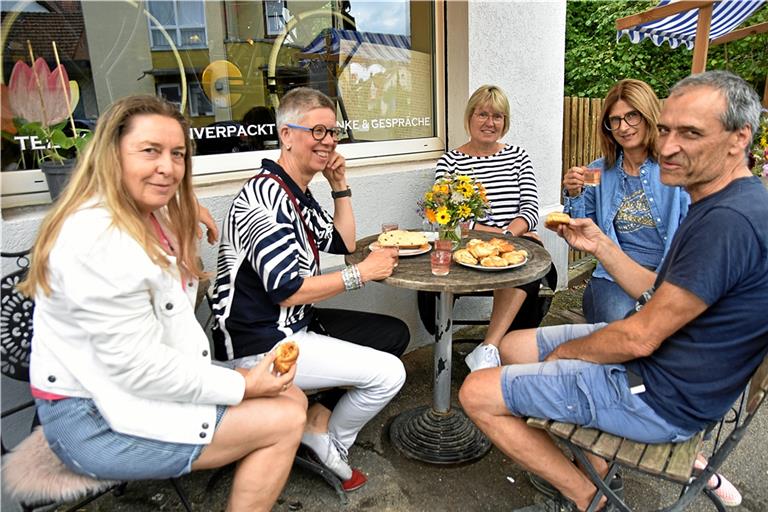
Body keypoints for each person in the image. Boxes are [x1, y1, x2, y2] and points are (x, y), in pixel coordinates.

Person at [459, 70, 768, 512]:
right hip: (659, 364)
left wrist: (568, 356)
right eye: (667, 130)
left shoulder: (727, 223)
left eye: (691, 133)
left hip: (659, 393)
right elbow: (655, 290)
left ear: (740, 138)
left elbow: (639, 336)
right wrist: (600, 243)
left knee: (475, 392)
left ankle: (586, 496)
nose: (670, 145)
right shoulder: (726, 201)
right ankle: (591, 462)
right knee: (512, 345)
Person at [22, 95, 306, 512]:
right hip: (92, 418)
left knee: (293, 397)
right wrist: (243, 385)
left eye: (177, 154)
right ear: (111, 154)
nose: (169, 167)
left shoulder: (142, 214)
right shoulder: (96, 240)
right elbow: (140, 369)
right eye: (150, 151)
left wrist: (184, 208)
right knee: (286, 419)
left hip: (128, 388)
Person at [211, 87, 408, 491]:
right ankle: (329, 444)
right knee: (390, 374)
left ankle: (317, 419)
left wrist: (339, 184)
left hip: (298, 325)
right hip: (259, 342)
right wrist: (363, 274)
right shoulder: (263, 198)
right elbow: (288, 290)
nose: (329, 141)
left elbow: (344, 243)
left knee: (393, 334)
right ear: (286, 134)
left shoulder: (296, 192)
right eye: (318, 131)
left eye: (334, 132)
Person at [562, 79, 690, 323]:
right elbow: (582, 237)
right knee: (623, 325)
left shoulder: (677, 168)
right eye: (615, 120)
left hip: (669, 275)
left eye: (632, 116)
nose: (624, 127)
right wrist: (575, 194)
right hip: (613, 278)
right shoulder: (597, 172)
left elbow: (693, 232)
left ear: (648, 116)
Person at [433, 84, 541, 372]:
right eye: (482, 114)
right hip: (467, 247)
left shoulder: (518, 157)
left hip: (512, 242)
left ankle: (489, 347)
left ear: (505, 123)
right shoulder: (450, 161)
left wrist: (505, 236)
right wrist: (499, 235)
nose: (489, 123)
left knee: (527, 261)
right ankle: (488, 350)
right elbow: (448, 218)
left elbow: (530, 211)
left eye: (498, 117)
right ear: (470, 117)